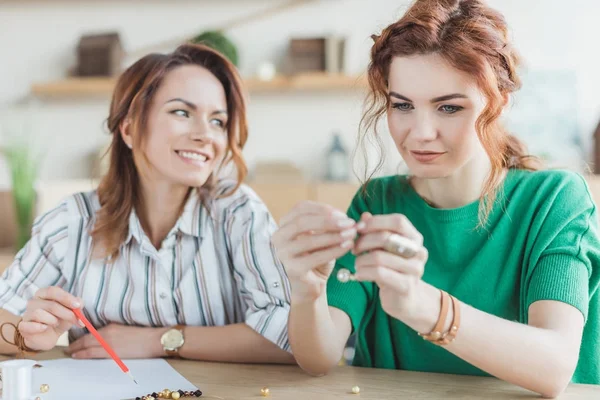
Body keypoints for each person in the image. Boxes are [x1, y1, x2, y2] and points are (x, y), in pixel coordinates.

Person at [273, 0, 600, 396]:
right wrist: (307, 291)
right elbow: (319, 357)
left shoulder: (553, 200)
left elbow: (554, 367)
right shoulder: (376, 201)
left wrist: (421, 305)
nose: (420, 132)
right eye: (402, 106)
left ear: (500, 104)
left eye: (449, 107)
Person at [0, 43, 294, 364]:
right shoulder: (72, 220)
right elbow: (6, 314)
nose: (205, 135)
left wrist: (160, 341)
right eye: (182, 112)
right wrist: (25, 336)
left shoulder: (238, 212)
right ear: (129, 128)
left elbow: (289, 338)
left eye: (218, 122)